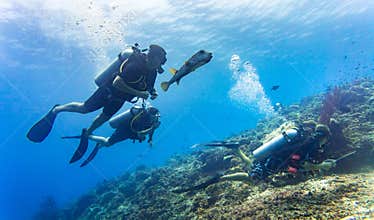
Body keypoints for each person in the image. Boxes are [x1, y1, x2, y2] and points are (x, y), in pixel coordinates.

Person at [27, 44, 167, 144]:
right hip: (108, 91)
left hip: (120, 99)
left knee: (104, 118)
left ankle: (88, 132)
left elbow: (148, 86)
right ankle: (57, 109)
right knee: (84, 109)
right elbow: (117, 83)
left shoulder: (153, 72)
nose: (158, 63)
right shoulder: (135, 65)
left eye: (160, 61)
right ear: (150, 57)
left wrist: (152, 92)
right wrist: (139, 93)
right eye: (157, 59)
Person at [174, 121, 335, 193]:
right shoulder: (310, 143)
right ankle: (221, 178)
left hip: (271, 157)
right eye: (325, 141)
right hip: (274, 162)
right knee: (252, 178)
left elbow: (295, 161)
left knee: (253, 166)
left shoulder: (303, 137)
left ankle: (236, 150)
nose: (324, 144)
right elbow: (303, 164)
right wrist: (323, 166)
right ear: (323, 136)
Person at [62, 105, 161, 167]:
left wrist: (150, 138)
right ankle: (88, 135)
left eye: (156, 117)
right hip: (125, 129)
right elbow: (141, 133)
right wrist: (151, 129)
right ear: (149, 115)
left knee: (107, 143)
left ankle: (99, 144)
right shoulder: (143, 118)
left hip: (131, 132)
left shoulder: (155, 121)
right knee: (108, 142)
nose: (155, 119)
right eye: (154, 117)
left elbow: (150, 130)